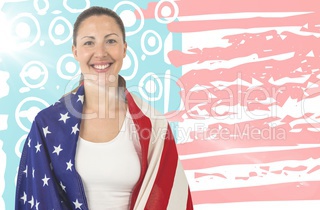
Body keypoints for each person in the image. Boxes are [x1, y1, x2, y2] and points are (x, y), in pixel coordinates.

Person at [15, 6, 193, 210]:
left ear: (124, 49)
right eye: (89, 42)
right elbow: (38, 196)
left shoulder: (154, 124)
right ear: (75, 51)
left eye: (110, 41)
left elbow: (171, 200)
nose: (100, 53)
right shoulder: (47, 124)